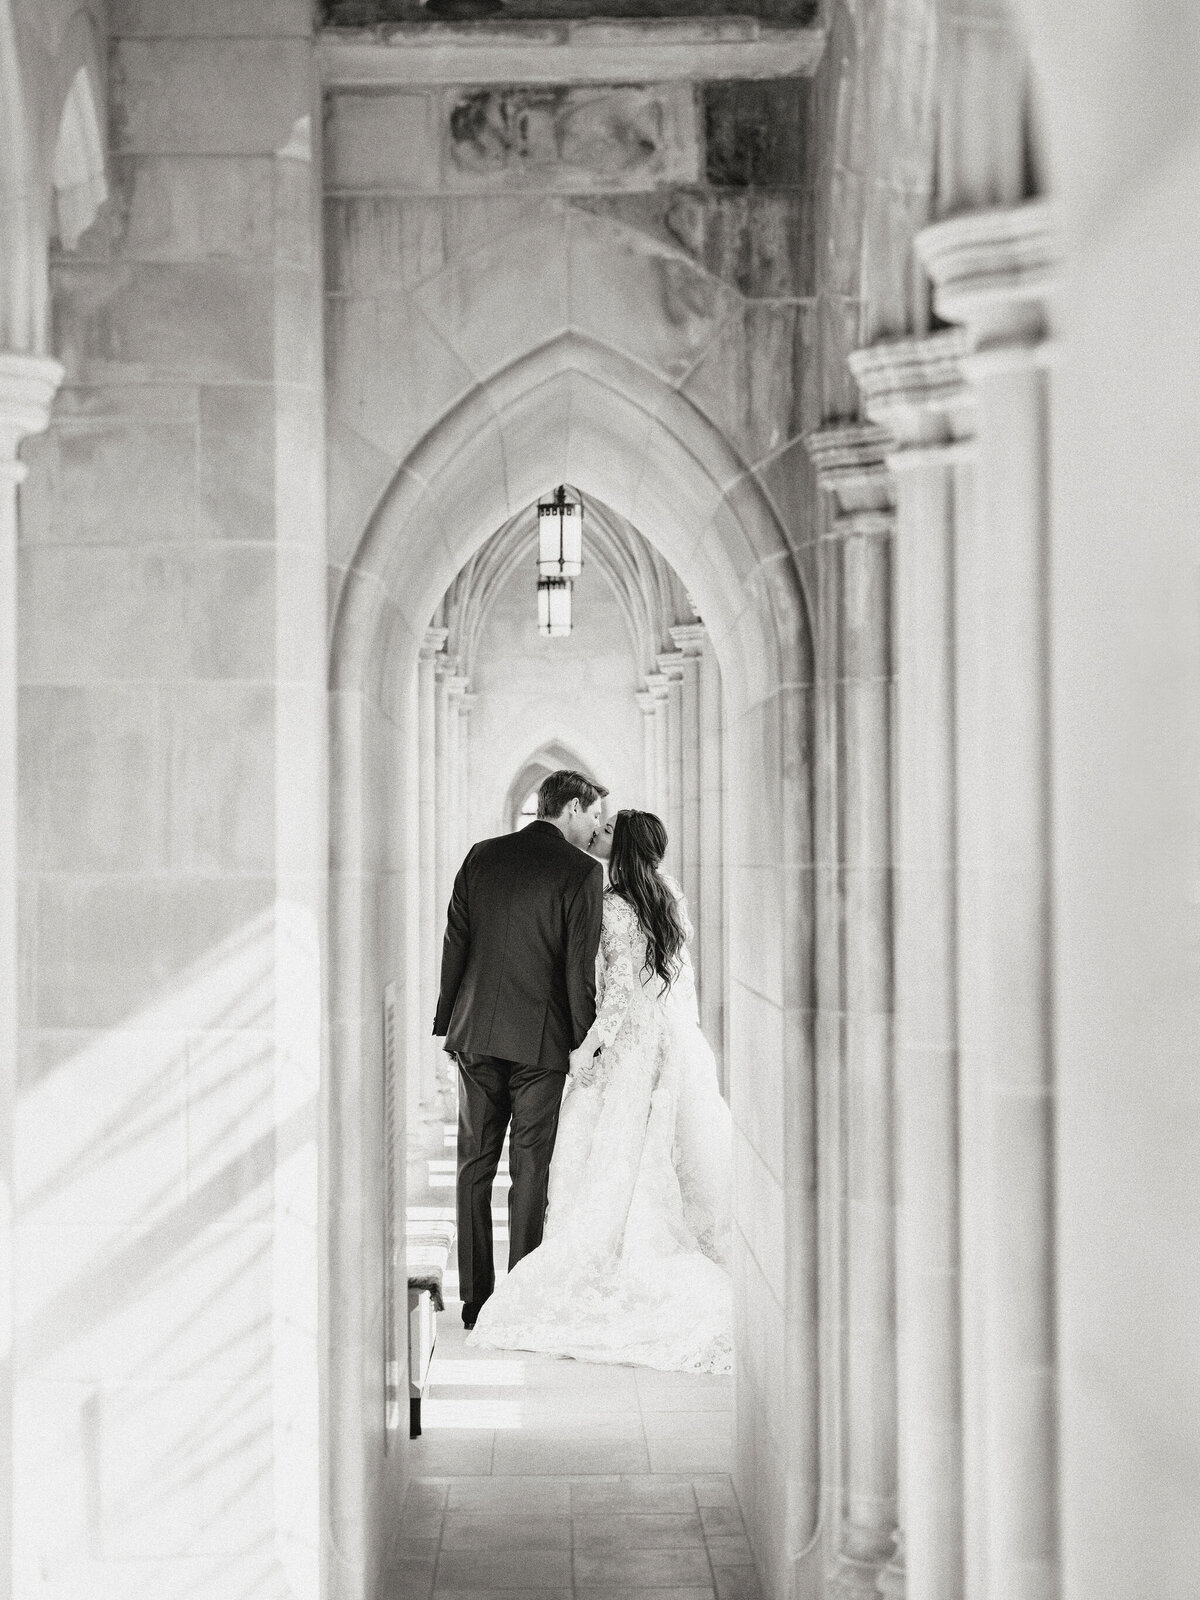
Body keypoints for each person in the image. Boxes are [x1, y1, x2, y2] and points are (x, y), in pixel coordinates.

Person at [468, 809, 733, 1373]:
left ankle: (601, 1260)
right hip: (662, 1043)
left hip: (624, 1048)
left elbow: (614, 993)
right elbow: (673, 987)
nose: (598, 831)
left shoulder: (612, 906)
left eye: (608, 828)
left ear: (626, 844)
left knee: (603, 1155)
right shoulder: (670, 899)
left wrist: (586, 1050)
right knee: (651, 1158)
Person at [433, 769, 606, 1330]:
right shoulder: (582, 872)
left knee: (473, 1166)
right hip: (541, 1042)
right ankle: (517, 1303)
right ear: (573, 808)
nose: (596, 828)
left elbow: (456, 939)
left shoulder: (482, 855)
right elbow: (578, 970)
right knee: (531, 1167)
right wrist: (586, 1043)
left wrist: (448, 1022)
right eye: (594, 816)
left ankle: (475, 1300)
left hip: (476, 1034)